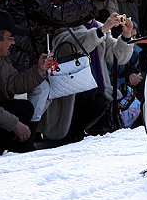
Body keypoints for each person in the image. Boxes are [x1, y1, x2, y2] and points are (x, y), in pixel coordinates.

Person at [6, 0, 99, 130]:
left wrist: (86, 0)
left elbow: (66, 17)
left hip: (28, 54)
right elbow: (56, 16)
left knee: (42, 91)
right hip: (17, 54)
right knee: (36, 92)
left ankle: (26, 134)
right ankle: (24, 135)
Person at [38, 13, 135, 143]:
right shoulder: (64, 26)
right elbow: (73, 46)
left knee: (100, 101)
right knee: (82, 98)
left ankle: (77, 133)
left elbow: (116, 56)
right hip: (70, 89)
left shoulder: (99, 27)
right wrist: (101, 31)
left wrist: (126, 36)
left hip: (96, 87)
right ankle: (68, 136)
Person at [0, 8, 52, 155]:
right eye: (10, 38)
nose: (13, 43)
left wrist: (39, 70)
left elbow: (14, 83)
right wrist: (14, 124)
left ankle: (3, 153)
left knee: (24, 108)